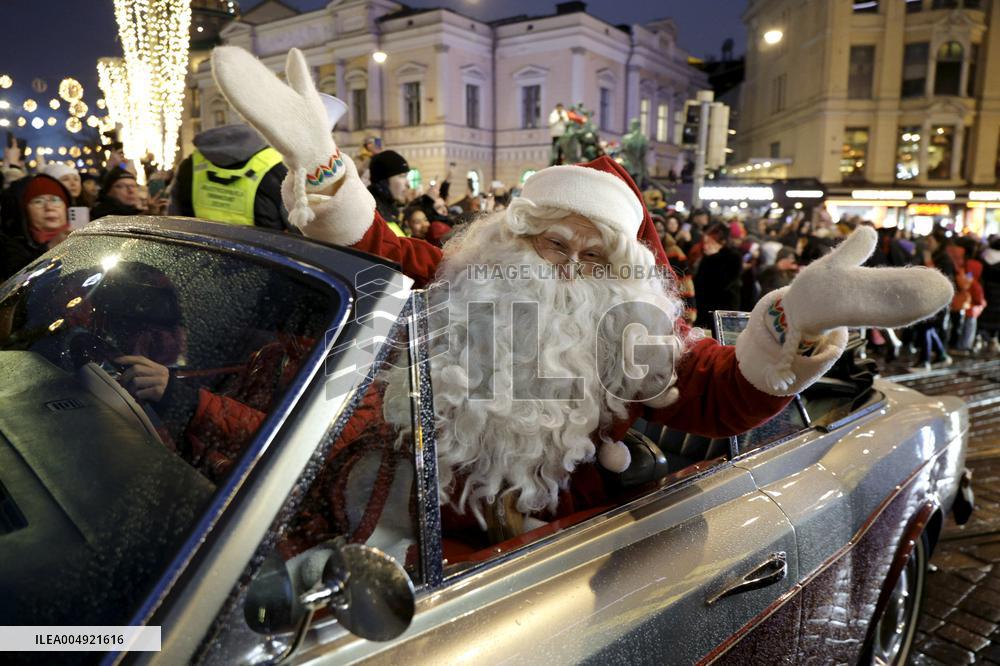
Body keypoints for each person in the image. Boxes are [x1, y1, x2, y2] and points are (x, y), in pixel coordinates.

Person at [211, 45, 952, 544]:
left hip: (532, 560)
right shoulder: (462, 274)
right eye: (553, 244)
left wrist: (792, 322)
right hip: (403, 529)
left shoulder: (629, 341)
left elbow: (723, 393)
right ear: (514, 236)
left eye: (593, 260)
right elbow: (376, 243)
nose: (567, 268)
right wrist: (324, 168)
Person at [169, 124, 289, 229]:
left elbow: (174, 218)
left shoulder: (190, 165)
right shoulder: (276, 167)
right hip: (262, 253)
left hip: (198, 251)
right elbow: (296, 225)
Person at [0, 174, 72, 277]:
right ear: (25, 211)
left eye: (55, 200)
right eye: (38, 201)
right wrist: (49, 248)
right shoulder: (12, 245)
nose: (49, 207)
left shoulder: (88, 233)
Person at [693, 222, 743, 327]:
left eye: (710, 242)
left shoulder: (733, 257)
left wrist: (713, 258)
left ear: (722, 242)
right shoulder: (706, 258)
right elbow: (699, 283)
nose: (706, 246)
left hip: (724, 310)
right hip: (704, 310)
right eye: (705, 242)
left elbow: (723, 284)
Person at [367, 150, 411, 236]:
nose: (408, 184)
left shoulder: (390, 210)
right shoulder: (373, 216)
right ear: (383, 182)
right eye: (402, 176)